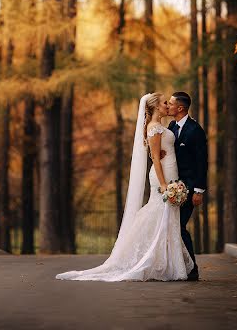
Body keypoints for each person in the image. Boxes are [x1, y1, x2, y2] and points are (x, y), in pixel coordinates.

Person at [56, 93, 194, 282]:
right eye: (164, 103)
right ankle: (143, 257)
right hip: (163, 176)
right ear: (154, 107)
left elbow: (165, 150)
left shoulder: (162, 127)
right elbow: (155, 157)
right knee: (159, 213)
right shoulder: (154, 128)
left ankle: (166, 263)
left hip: (172, 172)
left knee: (168, 217)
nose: (167, 106)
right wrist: (163, 184)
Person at [168, 91, 208, 281]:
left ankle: (192, 269)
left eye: (171, 103)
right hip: (173, 186)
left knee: (180, 226)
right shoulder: (171, 126)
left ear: (180, 108)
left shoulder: (195, 130)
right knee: (173, 226)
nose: (168, 106)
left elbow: (202, 162)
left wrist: (199, 190)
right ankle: (179, 267)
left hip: (190, 187)